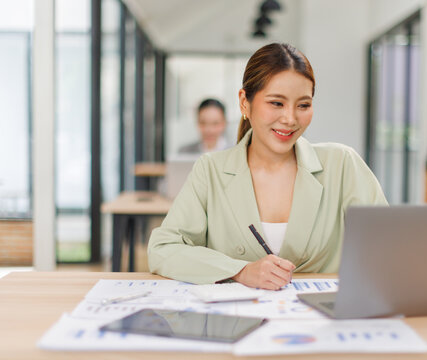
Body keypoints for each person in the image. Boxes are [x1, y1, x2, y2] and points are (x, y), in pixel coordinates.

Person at [148, 43, 387, 290]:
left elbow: (388, 245)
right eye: (276, 103)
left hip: (320, 322)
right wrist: (240, 270)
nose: (290, 119)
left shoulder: (342, 164)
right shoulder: (210, 171)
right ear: (244, 102)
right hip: (237, 321)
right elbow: (164, 249)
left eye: (303, 105)